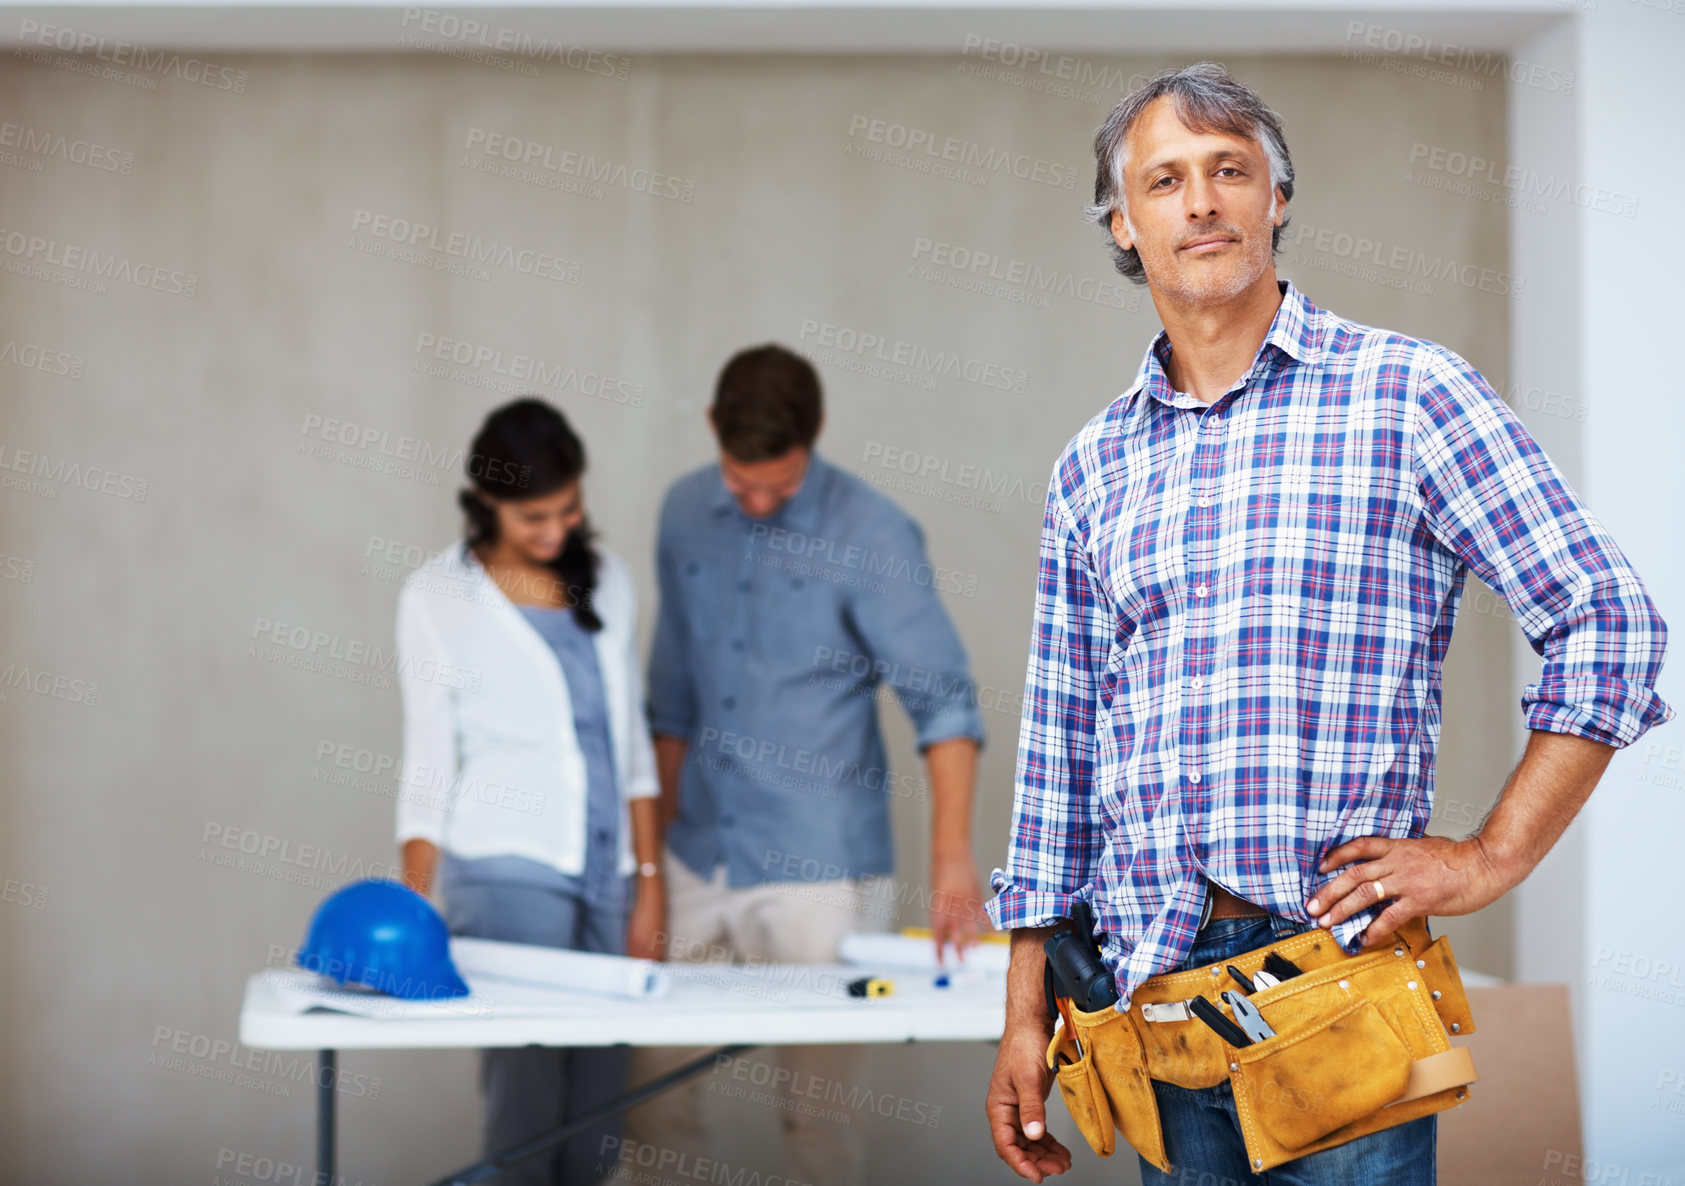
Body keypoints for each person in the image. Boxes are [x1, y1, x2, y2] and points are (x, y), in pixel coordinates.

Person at [983, 63, 1672, 1184]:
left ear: (1276, 200)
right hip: (1144, 984)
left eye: (1228, 171)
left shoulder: (1408, 396)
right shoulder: (1091, 465)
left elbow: (1607, 620)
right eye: (1164, 180)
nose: (1199, 201)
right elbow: (1055, 753)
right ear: (1124, 222)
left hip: (1337, 978)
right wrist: (1024, 1013)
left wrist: (1492, 855)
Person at [624, 344, 987, 1186]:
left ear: (817, 434)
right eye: (740, 482)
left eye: (777, 487)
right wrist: (646, 873)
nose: (754, 501)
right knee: (647, 1099)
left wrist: (950, 860)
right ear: (712, 429)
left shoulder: (873, 531)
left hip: (819, 866)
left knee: (817, 1116)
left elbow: (944, 703)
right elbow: (669, 700)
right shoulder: (682, 513)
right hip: (694, 850)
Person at [394, 398, 665, 1186]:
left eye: (569, 508)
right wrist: (414, 901)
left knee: (596, 1128)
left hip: (607, 877)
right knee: (524, 1116)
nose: (555, 530)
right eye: (533, 516)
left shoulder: (607, 580)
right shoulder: (435, 597)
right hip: (504, 875)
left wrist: (648, 889)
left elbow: (632, 744)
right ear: (486, 503)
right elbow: (428, 761)